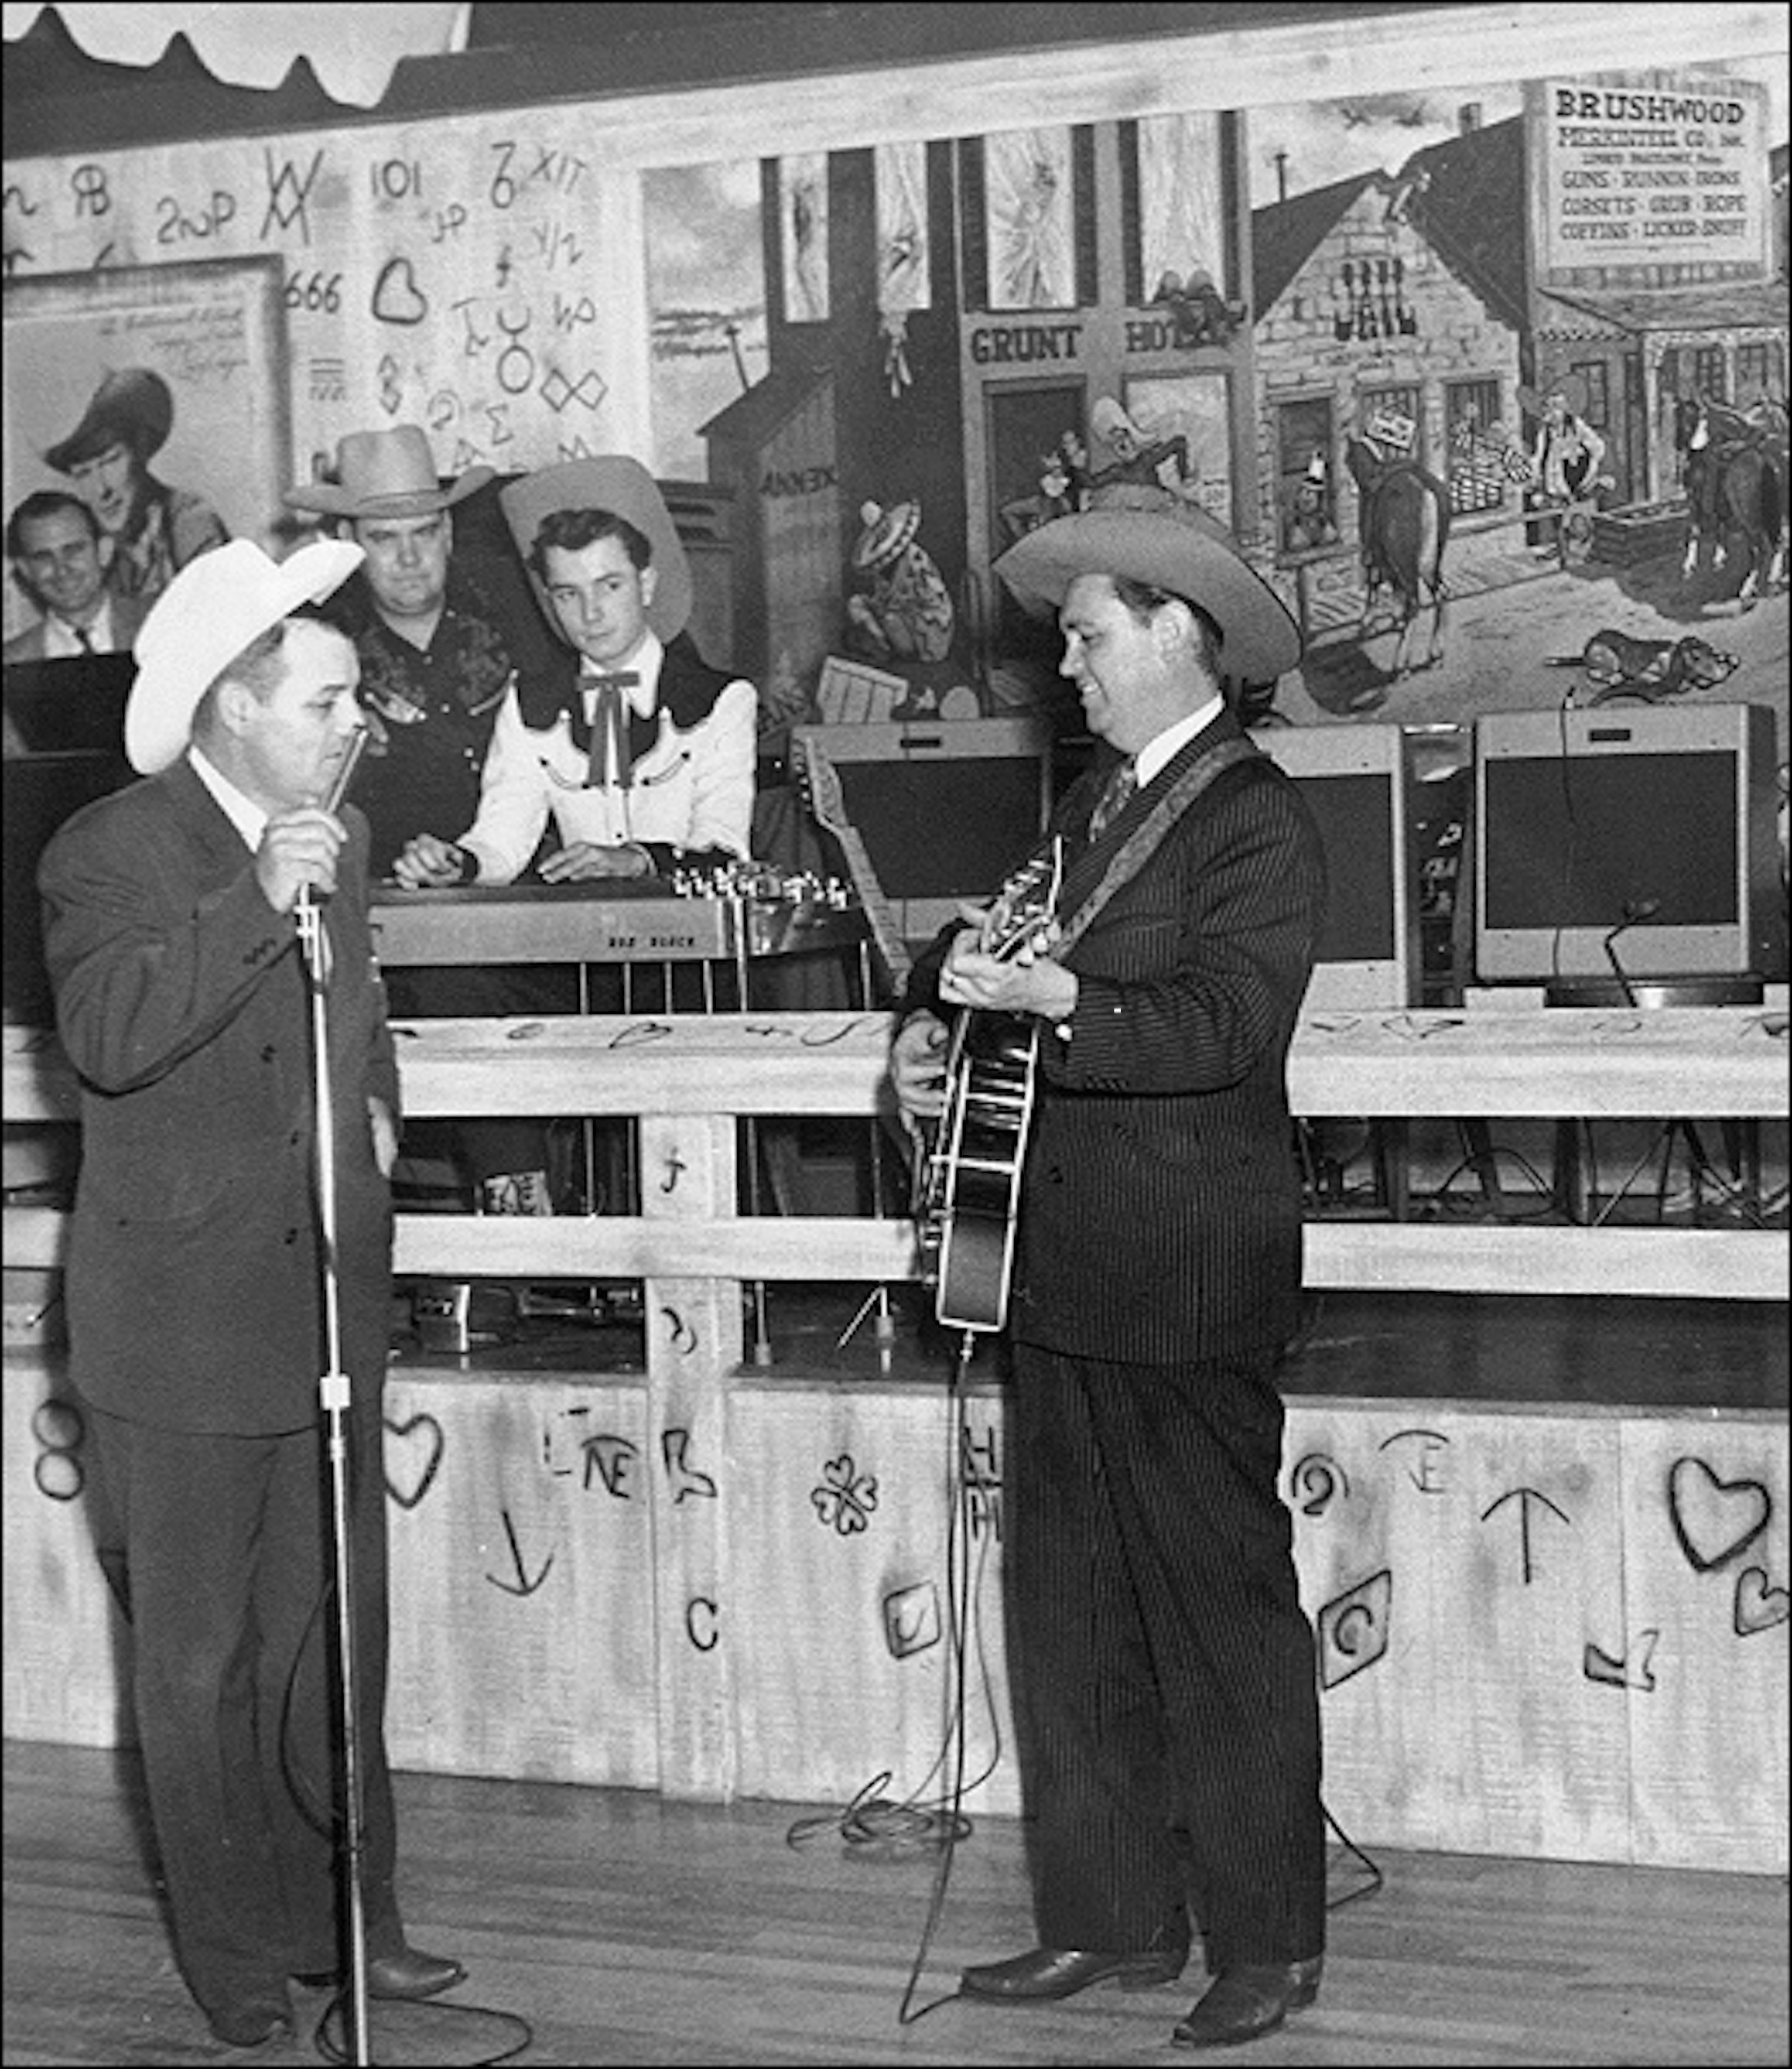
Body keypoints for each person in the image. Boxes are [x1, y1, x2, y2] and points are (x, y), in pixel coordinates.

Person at [889, 502, 1329, 2049]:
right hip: (1059, 1267)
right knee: (1070, 1612)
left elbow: (1222, 1026)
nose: (1062, 665)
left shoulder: (1255, 819)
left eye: (1085, 635)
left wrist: (1060, 996)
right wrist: (954, 980)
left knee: (1219, 1615)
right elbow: (1037, 958)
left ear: (1172, 633)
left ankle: (1269, 1944)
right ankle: (1110, 1919)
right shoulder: (1096, 805)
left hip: (1185, 1274)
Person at [36, 538, 464, 2049]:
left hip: (327, 1315)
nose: (361, 724)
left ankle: (353, 1922)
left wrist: (387, 1114)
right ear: (232, 707)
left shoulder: (324, 830)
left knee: (333, 1640)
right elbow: (110, 1034)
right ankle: (230, 1961)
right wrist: (250, 897)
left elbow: (358, 1018)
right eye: (330, 698)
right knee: (204, 1661)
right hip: (183, 1329)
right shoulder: (111, 850)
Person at [285, 424, 555, 1215]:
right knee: (461, 993)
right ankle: (520, 1225)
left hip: (536, 902)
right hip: (395, 931)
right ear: (348, 542)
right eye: (382, 539)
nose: (406, 558)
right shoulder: (323, 653)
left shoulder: (516, 626)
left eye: (421, 534)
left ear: (447, 532)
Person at [393, 454, 756, 893]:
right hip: (585, 946)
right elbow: (503, 839)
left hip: (692, 948)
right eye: (568, 594)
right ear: (549, 600)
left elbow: (725, 846)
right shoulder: (529, 703)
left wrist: (638, 861)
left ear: (646, 585)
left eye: (610, 586)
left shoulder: (721, 700)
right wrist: (460, 864)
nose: (591, 613)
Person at [44, 367, 230, 603]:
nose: (102, 491)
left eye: (111, 461)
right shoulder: (87, 547)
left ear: (140, 448)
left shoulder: (190, 522)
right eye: (83, 474)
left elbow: (224, 622)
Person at [3, 489, 152, 661]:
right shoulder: (11, 664)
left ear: (104, 551)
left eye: (73, 550)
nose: (61, 569)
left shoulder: (162, 628)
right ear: (25, 569)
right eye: (43, 557)